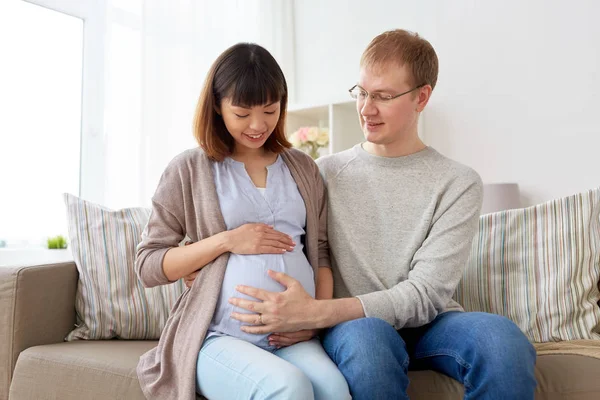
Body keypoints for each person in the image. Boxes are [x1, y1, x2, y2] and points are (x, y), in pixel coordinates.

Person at [226, 30, 537, 399]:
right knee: (369, 341)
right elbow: (273, 233)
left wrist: (315, 314)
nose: (366, 108)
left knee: (502, 340)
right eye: (361, 92)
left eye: (383, 96)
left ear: (422, 97)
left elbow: (425, 295)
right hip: (355, 327)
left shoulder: (458, 182)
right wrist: (209, 259)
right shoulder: (320, 172)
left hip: (431, 324)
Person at [134, 42, 350, 400]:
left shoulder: (303, 168)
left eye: (270, 110)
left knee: (334, 390)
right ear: (217, 107)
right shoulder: (190, 169)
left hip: (291, 336)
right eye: (242, 113)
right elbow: (148, 264)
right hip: (218, 336)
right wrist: (226, 241)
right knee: (289, 388)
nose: (258, 125)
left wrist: (314, 319)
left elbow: (321, 254)